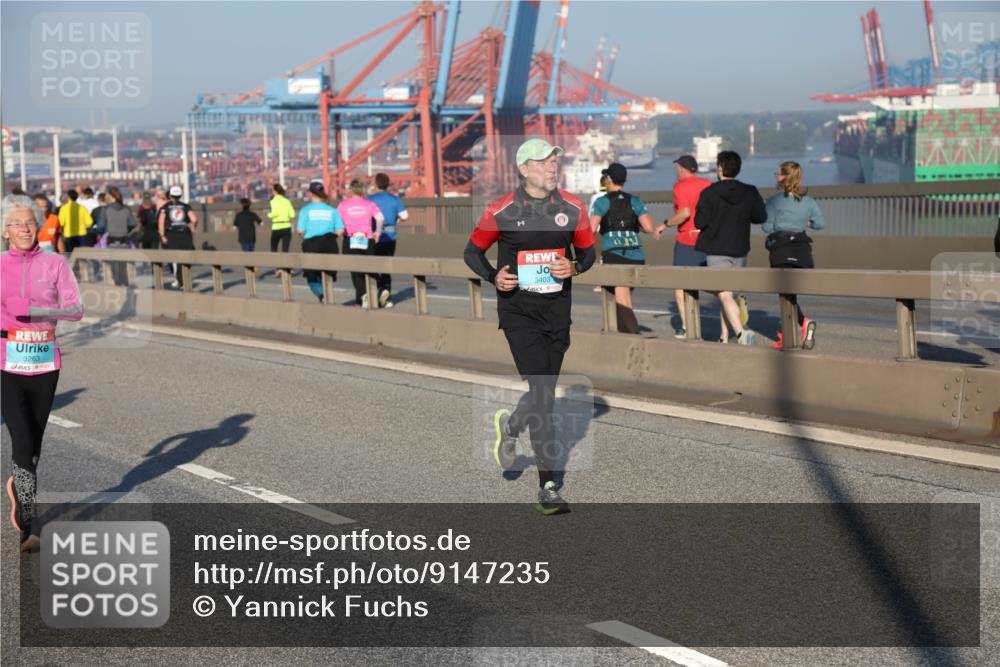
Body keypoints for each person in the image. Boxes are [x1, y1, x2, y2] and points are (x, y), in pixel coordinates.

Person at [463, 138, 596, 515]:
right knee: (543, 396)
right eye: (543, 162)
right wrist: (494, 276)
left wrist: (576, 267)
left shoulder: (572, 208)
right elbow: (472, 252)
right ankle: (548, 487)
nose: (552, 167)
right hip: (519, 314)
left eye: (556, 161)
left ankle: (511, 425)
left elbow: (588, 253)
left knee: (544, 392)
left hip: (557, 312)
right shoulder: (500, 210)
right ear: (524, 169)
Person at [1, 194, 84, 551]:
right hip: (7, 360)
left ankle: (18, 487)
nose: (24, 228)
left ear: (38, 227)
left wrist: (35, 308)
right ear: (6, 231)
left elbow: (76, 309)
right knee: (21, 442)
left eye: (29, 222)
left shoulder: (55, 264)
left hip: (46, 361)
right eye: (17, 223)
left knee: (33, 448)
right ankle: (28, 524)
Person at [694, 150, 767, 346]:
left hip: (717, 248)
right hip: (740, 248)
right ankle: (724, 337)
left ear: (719, 168)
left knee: (724, 294)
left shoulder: (709, 193)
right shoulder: (750, 191)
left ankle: (741, 333)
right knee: (728, 294)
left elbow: (700, 222)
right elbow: (761, 217)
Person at [764, 161, 826, 350]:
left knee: (784, 293)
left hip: (781, 249)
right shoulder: (808, 201)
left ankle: (803, 322)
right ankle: (790, 332)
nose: (776, 176)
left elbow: (766, 226)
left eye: (778, 174)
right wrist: (804, 224)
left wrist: (779, 225)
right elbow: (820, 224)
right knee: (789, 293)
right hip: (801, 250)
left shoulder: (774, 201)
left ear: (785, 177)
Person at [589, 162, 655, 334]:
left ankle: (637, 340)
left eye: (606, 177)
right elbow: (649, 228)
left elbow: (590, 230)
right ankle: (623, 340)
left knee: (623, 302)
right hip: (636, 255)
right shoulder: (635, 200)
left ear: (609, 179)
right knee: (619, 302)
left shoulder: (602, 202)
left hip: (614, 255)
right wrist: (632, 225)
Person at [656, 155, 712, 338]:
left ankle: (688, 327)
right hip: (708, 238)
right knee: (714, 283)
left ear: (681, 168)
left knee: (680, 285)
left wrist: (664, 224)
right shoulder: (708, 184)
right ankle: (733, 311)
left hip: (687, 240)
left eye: (677, 168)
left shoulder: (680, 187)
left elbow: (684, 214)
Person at [337, 179, 384, 307]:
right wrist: (378, 232)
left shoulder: (343, 205)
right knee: (369, 269)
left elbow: (338, 223)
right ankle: (378, 290)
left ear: (350, 190)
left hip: (350, 238)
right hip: (367, 239)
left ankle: (362, 298)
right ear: (362, 190)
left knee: (356, 272)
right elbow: (380, 217)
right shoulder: (369, 204)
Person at [297, 182, 344, 303]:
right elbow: (340, 230)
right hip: (330, 243)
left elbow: (300, 231)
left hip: (312, 244)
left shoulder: (305, 210)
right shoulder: (332, 210)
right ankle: (327, 295)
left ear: (310, 193)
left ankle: (322, 295)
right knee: (328, 274)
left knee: (311, 275)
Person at [368, 173, 409, 308]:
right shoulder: (395, 199)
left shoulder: (369, 199)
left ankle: (377, 291)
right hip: (390, 236)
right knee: (386, 267)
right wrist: (396, 218)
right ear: (388, 184)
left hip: (374, 236)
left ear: (375, 184)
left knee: (373, 266)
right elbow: (405, 216)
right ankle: (386, 294)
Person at [158, 185, 198, 288]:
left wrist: (162, 235)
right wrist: (193, 227)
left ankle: (180, 281)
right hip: (185, 234)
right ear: (180, 195)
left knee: (174, 258)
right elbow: (194, 219)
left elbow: (161, 221)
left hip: (172, 235)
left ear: (170, 196)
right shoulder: (185, 206)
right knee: (186, 257)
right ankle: (184, 279)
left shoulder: (165, 208)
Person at [103, 187, 138, 286]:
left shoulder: (106, 209)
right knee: (123, 264)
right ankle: (125, 283)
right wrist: (126, 229)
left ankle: (118, 283)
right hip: (124, 240)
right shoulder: (126, 209)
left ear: (112, 197)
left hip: (111, 241)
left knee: (114, 265)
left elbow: (101, 224)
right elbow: (133, 223)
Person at [57, 189, 93, 253]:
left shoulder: (64, 208)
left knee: (71, 254)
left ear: (68, 197)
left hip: (69, 234)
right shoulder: (82, 207)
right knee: (81, 254)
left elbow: (61, 223)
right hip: (81, 234)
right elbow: (89, 222)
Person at [267, 184, 295, 254]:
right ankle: (284, 264)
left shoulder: (273, 201)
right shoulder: (287, 201)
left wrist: (268, 214)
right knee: (285, 250)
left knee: (274, 248)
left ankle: (276, 263)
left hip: (276, 227)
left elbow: (274, 214)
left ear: (275, 191)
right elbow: (292, 215)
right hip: (287, 226)